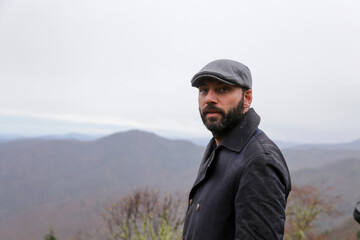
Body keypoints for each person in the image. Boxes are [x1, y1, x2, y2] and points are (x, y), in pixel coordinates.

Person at [182, 59, 291, 240]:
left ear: (247, 98)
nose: (209, 98)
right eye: (203, 90)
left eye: (223, 89)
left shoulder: (259, 161)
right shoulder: (218, 144)